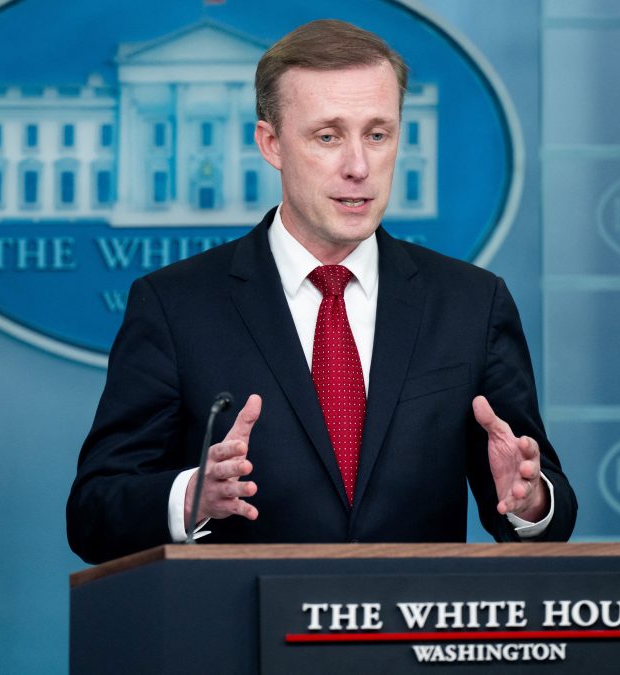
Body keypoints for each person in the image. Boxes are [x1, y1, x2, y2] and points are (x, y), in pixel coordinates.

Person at [67, 19, 577, 565]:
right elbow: (94, 514)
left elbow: (545, 508)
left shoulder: (471, 304)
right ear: (271, 143)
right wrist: (192, 499)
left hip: (416, 640)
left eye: (377, 135)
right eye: (328, 136)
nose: (358, 167)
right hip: (241, 639)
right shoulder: (176, 306)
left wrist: (530, 500)